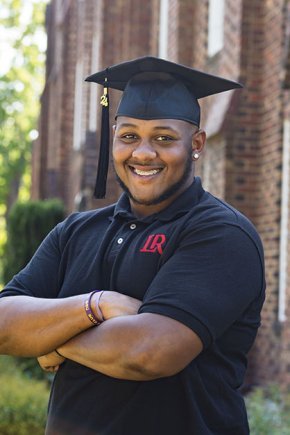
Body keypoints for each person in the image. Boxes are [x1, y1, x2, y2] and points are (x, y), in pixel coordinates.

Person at [0, 56, 265, 435]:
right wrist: (96, 305)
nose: (143, 153)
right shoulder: (75, 232)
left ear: (197, 143)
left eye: (163, 138)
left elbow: (148, 353)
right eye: (129, 136)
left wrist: (52, 339)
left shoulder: (220, 234)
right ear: (114, 139)